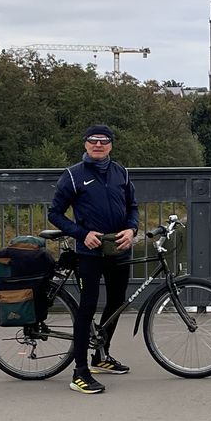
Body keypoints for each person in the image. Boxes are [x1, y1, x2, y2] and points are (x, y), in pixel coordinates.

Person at [48, 124, 139, 394]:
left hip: (119, 248)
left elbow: (132, 206)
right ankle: (79, 372)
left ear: (111, 145)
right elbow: (55, 213)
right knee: (87, 307)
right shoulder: (73, 176)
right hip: (89, 252)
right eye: (93, 140)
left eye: (104, 140)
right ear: (85, 144)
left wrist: (131, 229)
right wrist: (82, 233)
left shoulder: (121, 172)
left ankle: (100, 356)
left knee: (117, 301)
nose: (98, 145)